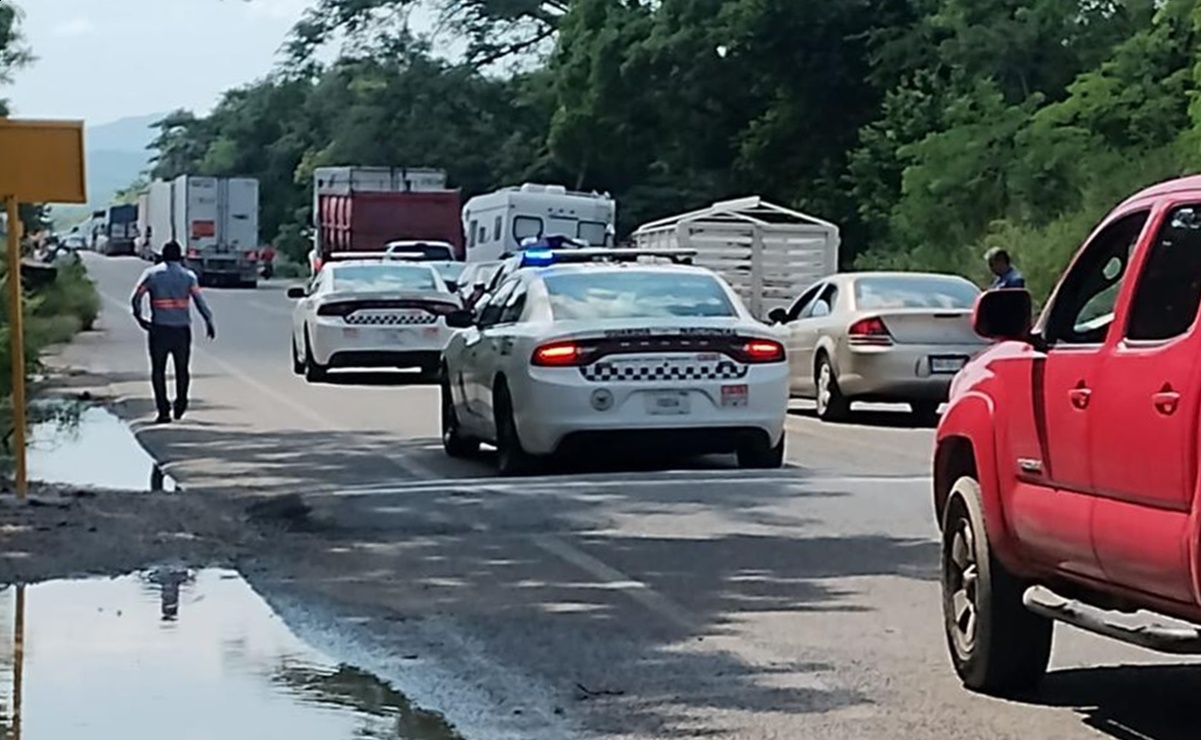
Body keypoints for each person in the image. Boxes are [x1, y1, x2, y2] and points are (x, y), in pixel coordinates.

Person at [131, 241, 216, 424]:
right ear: (180, 257)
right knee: (182, 369)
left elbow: (136, 297)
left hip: (159, 329)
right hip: (181, 330)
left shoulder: (152, 274)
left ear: (163, 255)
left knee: (158, 371)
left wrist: (140, 318)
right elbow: (199, 301)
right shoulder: (188, 276)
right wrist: (208, 320)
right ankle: (180, 404)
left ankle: (163, 411)